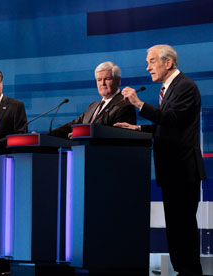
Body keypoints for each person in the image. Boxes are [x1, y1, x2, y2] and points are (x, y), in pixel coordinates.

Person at [115, 44, 206, 276]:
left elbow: (173, 119)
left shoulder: (185, 86)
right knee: (176, 227)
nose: (148, 67)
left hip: (183, 169)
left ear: (169, 62)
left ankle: (190, 272)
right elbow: (166, 126)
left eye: (152, 61)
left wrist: (138, 104)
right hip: (172, 170)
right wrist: (138, 127)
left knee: (183, 227)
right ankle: (183, 271)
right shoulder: (170, 87)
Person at [50, 61, 136, 138]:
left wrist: (82, 135)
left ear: (118, 81)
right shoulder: (93, 106)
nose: (102, 83)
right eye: (99, 80)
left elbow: (118, 136)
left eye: (107, 79)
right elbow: (73, 125)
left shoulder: (125, 105)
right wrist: (45, 136)